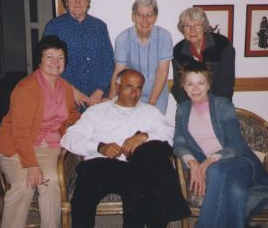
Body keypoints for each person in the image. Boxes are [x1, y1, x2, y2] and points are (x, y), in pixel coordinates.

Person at [173, 63, 268, 228]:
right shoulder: (182, 109)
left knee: (215, 169)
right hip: (218, 173)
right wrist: (192, 163)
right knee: (237, 192)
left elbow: (235, 145)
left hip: (240, 163)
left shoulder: (223, 106)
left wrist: (207, 163)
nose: (195, 88)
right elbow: (179, 142)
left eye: (200, 83)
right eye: (190, 83)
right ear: (184, 87)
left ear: (208, 85)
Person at [61, 69, 191, 228]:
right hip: (98, 164)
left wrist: (145, 136)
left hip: (133, 167)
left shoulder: (149, 111)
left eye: (139, 88)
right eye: (129, 86)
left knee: (141, 186)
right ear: (117, 86)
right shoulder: (97, 111)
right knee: (83, 196)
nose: (134, 93)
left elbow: (170, 134)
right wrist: (99, 146)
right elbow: (69, 138)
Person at [0, 35, 80, 228]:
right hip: (16, 145)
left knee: (51, 181)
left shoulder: (65, 87)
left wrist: (82, 124)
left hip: (47, 144)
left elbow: (72, 113)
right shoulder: (26, 88)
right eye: (49, 57)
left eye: (60, 58)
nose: (55, 63)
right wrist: (31, 165)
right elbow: (21, 131)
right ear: (39, 61)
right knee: (24, 185)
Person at [43, 0, 114, 110]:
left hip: (98, 100)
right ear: (65, 0)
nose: (77, 1)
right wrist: (70, 90)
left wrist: (100, 90)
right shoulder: (54, 27)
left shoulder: (100, 27)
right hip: (64, 98)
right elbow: (47, 63)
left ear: (88, 1)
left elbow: (109, 61)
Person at [109, 0, 173, 114]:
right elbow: (118, 73)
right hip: (130, 94)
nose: (144, 20)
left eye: (149, 15)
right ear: (133, 17)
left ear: (155, 17)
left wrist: (152, 103)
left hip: (157, 94)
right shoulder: (122, 39)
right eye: (140, 15)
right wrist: (111, 101)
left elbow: (162, 72)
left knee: (152, 131)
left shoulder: (165, 37)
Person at [171, 6, 235, 103]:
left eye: (197, 25)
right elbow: (179, 86)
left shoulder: (222, 45)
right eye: (187, 26)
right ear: (182, 29)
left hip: (219, 102)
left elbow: (225, 84)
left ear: (204, 27)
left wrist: (213, 108)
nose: (192, 30)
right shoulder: (178, 51)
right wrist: (189, 106)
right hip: (189, 103)